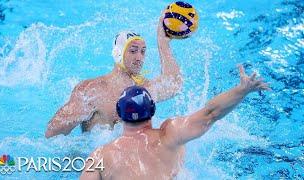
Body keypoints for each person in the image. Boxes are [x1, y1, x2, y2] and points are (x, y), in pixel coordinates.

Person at [80, 65, 271, 179]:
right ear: (153, 110)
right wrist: (242, 90)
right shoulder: (170, 134)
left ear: (119, 116)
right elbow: (210, 113)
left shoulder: (99, 156)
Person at [45, 15, 183, 138]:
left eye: (143, 52)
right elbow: (51, 132)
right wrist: (76, 112)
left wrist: (163, 42)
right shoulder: (92, 90)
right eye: (133, 51)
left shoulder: (143, 90)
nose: (139, 57)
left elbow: (174, 85)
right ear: (118, 53)